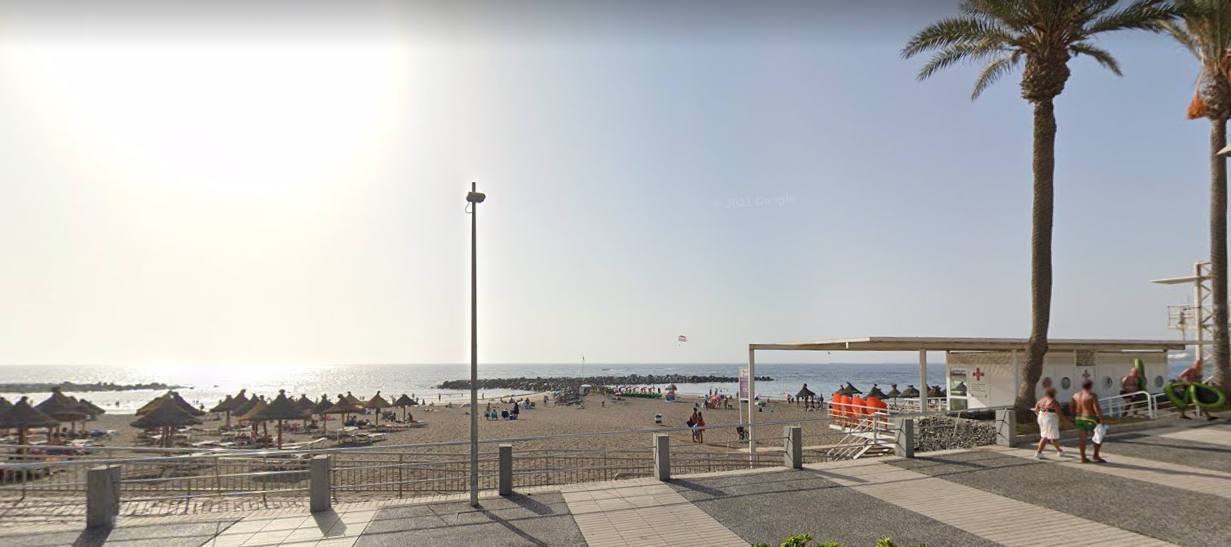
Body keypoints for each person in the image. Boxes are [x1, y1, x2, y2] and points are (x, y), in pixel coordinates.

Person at [1069, 379, 1105, 464]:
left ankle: (1083, 457)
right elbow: (1096, 408)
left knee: (1082, 439)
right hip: (1089, 418)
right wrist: (1101, 420)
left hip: (1079, 418)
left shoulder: (1075, 395)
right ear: (1091, 386)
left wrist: (1073, 417)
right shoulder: (1092, 395)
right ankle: (1095, 456)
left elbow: (1071, 406)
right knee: (1098, 435)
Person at [1033, 387, 1067, 459]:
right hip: (1050, 418)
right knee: (1045, 435)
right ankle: (1039, 452)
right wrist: (1065, 420)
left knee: (1051, 435)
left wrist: (1040, 416)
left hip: (1041, 417)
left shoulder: (1041, 400)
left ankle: (1060, 451)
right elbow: (1059, 414)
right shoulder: (1054, 402)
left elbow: (1036, 410)